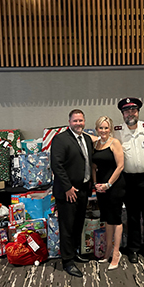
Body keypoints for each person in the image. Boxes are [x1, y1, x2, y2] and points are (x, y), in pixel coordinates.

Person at [113, 97, 144, 266]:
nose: (130, 113)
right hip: (128, 179)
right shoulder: (117, 132)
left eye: (133, 110)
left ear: (138, 112)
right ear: (122, 114)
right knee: (132, 216)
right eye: (126, 111)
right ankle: (133, 249)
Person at [50, 109, 93, 278]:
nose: (78, 123)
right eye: (75, 121)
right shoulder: (60, 139)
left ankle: (74, 253)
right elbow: (57, 165)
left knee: (78, 224)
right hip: (68, 191)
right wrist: (67, 187)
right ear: (69, 122)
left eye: (81, 120)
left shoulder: (87, 139)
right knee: (67, 227)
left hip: (83, 190)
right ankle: (67, 261)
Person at [90, 116, 125, 270]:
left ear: (110, 129)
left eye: (106, 128)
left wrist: (108, 184)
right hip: (101, 188)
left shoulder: (114, 143)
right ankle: (108, 250)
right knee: (107, 220)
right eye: (100, 128)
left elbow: (120, 166)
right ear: (96, 129)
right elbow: (93, 166)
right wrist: (95, 183)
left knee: (115, 220)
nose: (103, 131)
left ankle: (116, 252)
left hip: (115, 186)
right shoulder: (96, 143)